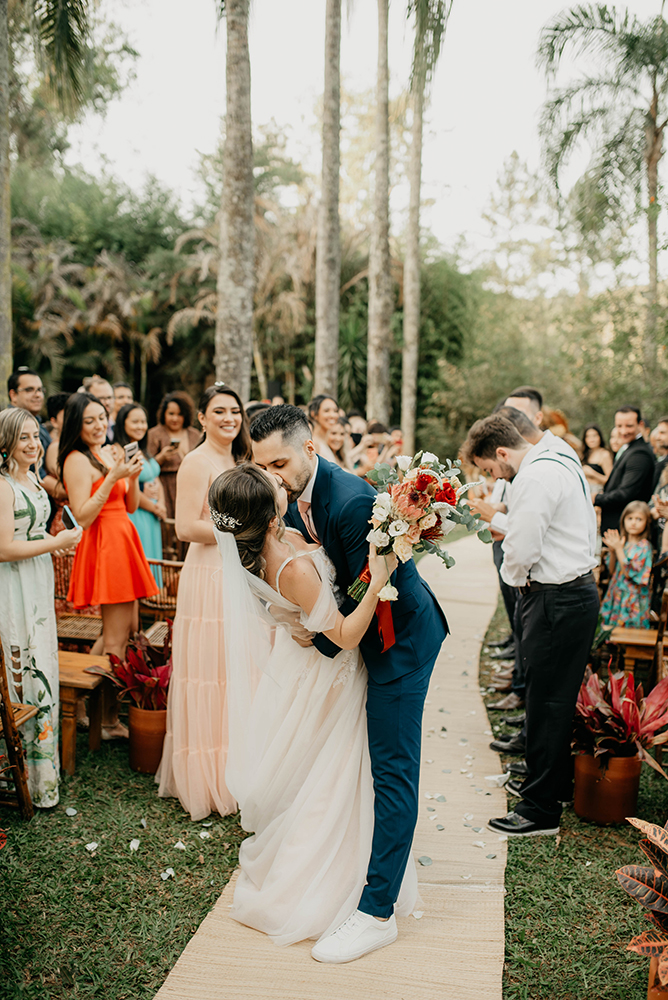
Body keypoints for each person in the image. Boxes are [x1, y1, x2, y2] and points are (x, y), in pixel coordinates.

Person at [251, 405, 448, 962]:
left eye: (281, 462)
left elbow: (363, 595)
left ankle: (376, 913)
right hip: (363, 639)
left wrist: (318, 638)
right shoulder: (293, 501)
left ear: (310, 450)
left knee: (393, 772)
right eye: (261, 466)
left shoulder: (350, 498)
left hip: (399, 645)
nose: (272, 476)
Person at [208, 463, 417, 949]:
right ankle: (323, 884)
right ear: (270, 510)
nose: (282, 481)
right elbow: (343, 637)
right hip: (333, 674)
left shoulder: (263, 549)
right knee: (336, 774)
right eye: (274, 483)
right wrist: (379, 573)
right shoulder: (292, 566)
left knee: (317, 772)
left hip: (307, 668)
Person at [464, 414, 598, 837]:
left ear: (502, 452)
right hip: (571, 594)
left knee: (546, 702)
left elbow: (521, 549)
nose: (493, 476)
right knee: (552, 699)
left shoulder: (535, 477)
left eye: (489, 469)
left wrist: (518, 587)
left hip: (554, 598)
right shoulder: (557, 456)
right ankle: (550, 788)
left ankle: (539, 810)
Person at [156, 383, 252, 821]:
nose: (229, 418)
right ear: (203, 419)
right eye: (219, 411)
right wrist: (239, 528)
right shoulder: (196, 461)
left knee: (235, 672)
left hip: (236, 572)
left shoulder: (240, 460)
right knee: (209, 671)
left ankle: (238, 771)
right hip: (207, 573)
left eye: (234, 411)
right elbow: (184, 528)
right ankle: (205, 779)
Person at [59, 392, 158, 737]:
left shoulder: (111, 451)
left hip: (124, 537)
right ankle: (108, 719)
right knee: (116, 641)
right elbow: (82, 517)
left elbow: (130, 506)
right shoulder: (76, 460)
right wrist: (115, 476)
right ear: (77, 426)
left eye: (102, 417)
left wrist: (134, 475)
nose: (99, 425)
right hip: (105, 546)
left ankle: (86, 702)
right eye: (90, 420)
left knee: (122, 631)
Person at [0, 407, 82, 807]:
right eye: (24, 438)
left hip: (36, 578)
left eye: (36, 436)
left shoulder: (31, 478)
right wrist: (58, 542)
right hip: (12, 583)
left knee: (40, 657)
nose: (34, 444)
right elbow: (2, 549)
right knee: (20, 657)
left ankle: (41, 774)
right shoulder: (3, 487)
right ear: (6, 443)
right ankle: (17, 769)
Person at [113, 403, 165, 567]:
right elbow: (128, 484)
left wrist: (162, 505)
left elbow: (157, 478)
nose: (141, 426)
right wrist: (154, 507)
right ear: (123, 424)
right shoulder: (118, 452)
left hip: (153, 517)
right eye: (135, 422)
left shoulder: (144, 450)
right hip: (136, 514)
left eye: (143, 422)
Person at [594, 406, 656, 534]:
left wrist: (597, 498)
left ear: (640, 424)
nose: (623, 431)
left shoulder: (639, 454)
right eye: (619, 426)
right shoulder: (629, 448)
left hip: (626, 531)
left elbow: (627, 493)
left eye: (629, 426)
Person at [147, 391, 201, 522]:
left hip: (192, 488)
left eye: (179, 414)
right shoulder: (154, 434)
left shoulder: (194, 434)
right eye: (171, 414)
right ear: (164, 413)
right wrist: (161, 457)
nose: (175, 418)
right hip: (165, 489)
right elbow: (146, 467)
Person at [600, 501, 653, 629]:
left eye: (639, 519)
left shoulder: (644, 546)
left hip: (632, 598)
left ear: (646, 522)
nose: (633, 523)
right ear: (623, 520)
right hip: (617, 593)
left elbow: (629, 574)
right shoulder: (622, 543)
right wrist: (613, 551)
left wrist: (618, 549)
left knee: (628, 634)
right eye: (630, 518)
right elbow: (612, 571)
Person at [7, 367, 51, 476]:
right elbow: (36, 474)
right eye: (29, 390)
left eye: (40, 390)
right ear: (13, 395)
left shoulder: (38, 423)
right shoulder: (8, 425)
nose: (37, 395)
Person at [581, 424, 613, 497]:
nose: (591, 439)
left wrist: (592, 473)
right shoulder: (584, 454)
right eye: (588, 436)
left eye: (594, 436)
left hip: (598, 492)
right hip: (585, 491)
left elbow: (610, 480)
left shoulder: (605, 454)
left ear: (600, 437)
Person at [308, 394, 340, 463]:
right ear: (314, 414)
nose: (332, 415)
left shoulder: (327, 442)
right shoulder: (314, 444)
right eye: (326, 411)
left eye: (335, 411)